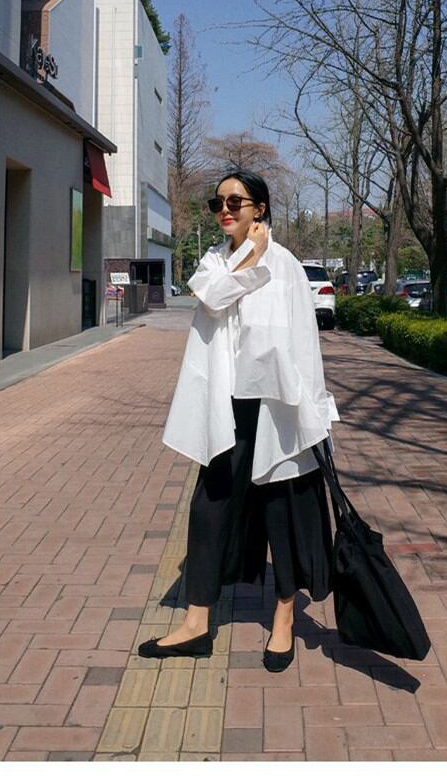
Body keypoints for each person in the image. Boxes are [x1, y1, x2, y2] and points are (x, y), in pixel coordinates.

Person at [138, 170, 340, 672]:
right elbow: (211, 296)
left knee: (280, 512)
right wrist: (249, 255)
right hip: (226, 403)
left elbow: (303, 344)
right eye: (218, 203)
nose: (224, 210)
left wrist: (314, 411)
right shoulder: (215, 260)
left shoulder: (286, 265)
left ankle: (284, 616)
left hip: (275, 405)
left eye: (235, 201)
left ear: (260, 208)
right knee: (209, 508)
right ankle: (196, 623)